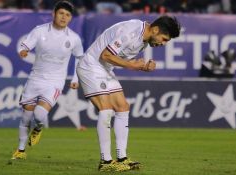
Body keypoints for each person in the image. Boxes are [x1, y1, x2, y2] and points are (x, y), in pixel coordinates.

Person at [76, 15, 181, 171]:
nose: (163, 43)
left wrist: (143, 67)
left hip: (104, 69)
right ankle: (105, 161)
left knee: (123, 107)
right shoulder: (131, 31)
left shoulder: (144, 40)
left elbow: (119, 59)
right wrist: (132, 65)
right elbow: (105, 55)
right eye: (164, 39)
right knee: (106, 109)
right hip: (90, 66)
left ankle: (122, 158)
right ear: (156, 29)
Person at [11, 0, 84, 160]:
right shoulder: (40, 31)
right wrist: (23, 50)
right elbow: (25, 44)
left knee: (39, 114)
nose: (64, 17)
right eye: (61, 13)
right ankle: (21, 150)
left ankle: (38, 128)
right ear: (54, 14)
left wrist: (75, 77)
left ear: (71, 18)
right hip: (35, 79)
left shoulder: (74, 38)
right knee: (25, 118)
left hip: (54, 82)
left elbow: (79, 58)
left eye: (68, 15)